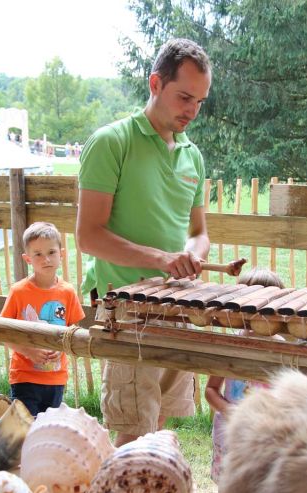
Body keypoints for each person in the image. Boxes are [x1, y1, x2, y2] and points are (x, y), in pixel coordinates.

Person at [76, 38, 212, 446]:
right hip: (125, 311)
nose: (192, 110)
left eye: (200, 101)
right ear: (155, 83)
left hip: (176, 305)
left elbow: (198, 232)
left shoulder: (193, 156)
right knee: (134, 430)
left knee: (163, 423)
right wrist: (162, 259)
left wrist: (194, 255)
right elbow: (88, 236)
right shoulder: (111, 142)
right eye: (184, 96)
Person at [205, 268, 285, 484]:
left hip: (266, 432)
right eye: (249, 303)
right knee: (228, 487)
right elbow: (211, 390)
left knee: (261, 486)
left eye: (264, 305)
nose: (255, 312)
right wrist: (229, 411)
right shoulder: (229, 345)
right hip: (230, 431)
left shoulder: (282, 351)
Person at [0, 222, 85, 416]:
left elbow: (74, 332)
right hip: (24, 377)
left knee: (47, 429)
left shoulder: (68, 292)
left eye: (52, 252)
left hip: (56, 378)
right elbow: (3, 333)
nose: (46, 259)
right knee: (25, 428)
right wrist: (29, 352)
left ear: (62, 254)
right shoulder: (19, 292)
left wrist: (62, 348)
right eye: (38, 254)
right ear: (27, 259)